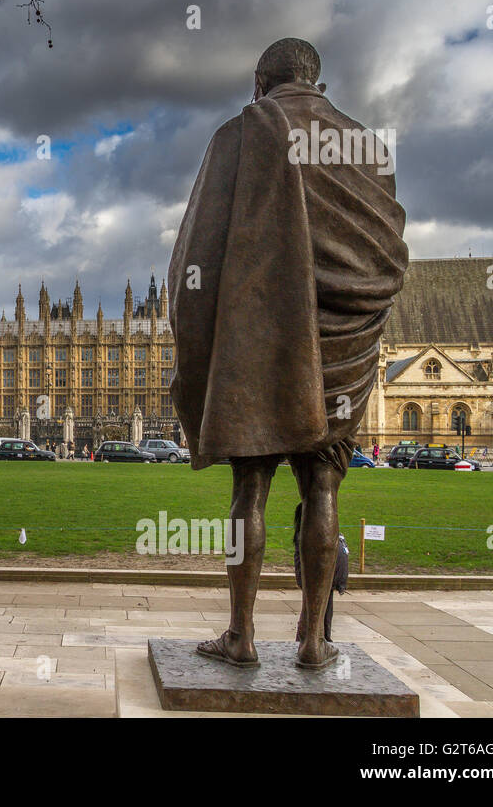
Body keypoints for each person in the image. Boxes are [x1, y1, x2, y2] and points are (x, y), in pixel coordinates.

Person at [170, 38, 407, 670]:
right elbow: (385, 263)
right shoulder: (367, 147)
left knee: (250, 491)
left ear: (258, 82)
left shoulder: (240, 134)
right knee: (324, 488)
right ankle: (312, 641)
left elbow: (196, 259)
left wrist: (198, 351)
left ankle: (241, 637)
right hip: (345, 351)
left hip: (263, 346)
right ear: (318, 82)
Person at [293, 502, 348, 642]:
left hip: (320, 575)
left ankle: (308, 640)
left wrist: (302, 581)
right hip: (332, 574)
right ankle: (322, 637)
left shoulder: (304, 533)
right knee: (324, 607)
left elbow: (300, 560)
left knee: (311, 609)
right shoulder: (330, 531)